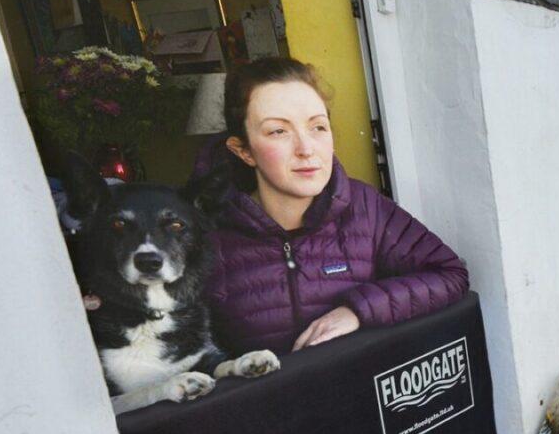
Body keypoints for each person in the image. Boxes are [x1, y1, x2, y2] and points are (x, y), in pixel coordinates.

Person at [196, 57, 468, 355]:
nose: (306, 148)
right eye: (278, 131)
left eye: (318, 127)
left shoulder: (364, 208)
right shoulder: (205, 235)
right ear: (243, 150)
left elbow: (449, 274)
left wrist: (357, 311)